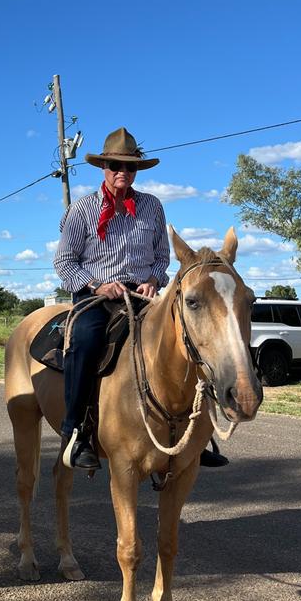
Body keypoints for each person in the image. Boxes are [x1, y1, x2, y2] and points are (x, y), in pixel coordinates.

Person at [53, 128, 228, 471]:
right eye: (116, 165)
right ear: (103, 166)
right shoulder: (82, 210)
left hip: (143, 293)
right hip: (96, 295)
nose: (123, 172)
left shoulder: (151, 206)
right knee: (87, 341)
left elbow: (162, 257)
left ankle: (197, 434)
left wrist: (152, 280)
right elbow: (64, 262)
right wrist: (98, 285)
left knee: (187, 338)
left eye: (130, 167)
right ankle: (76, 432)